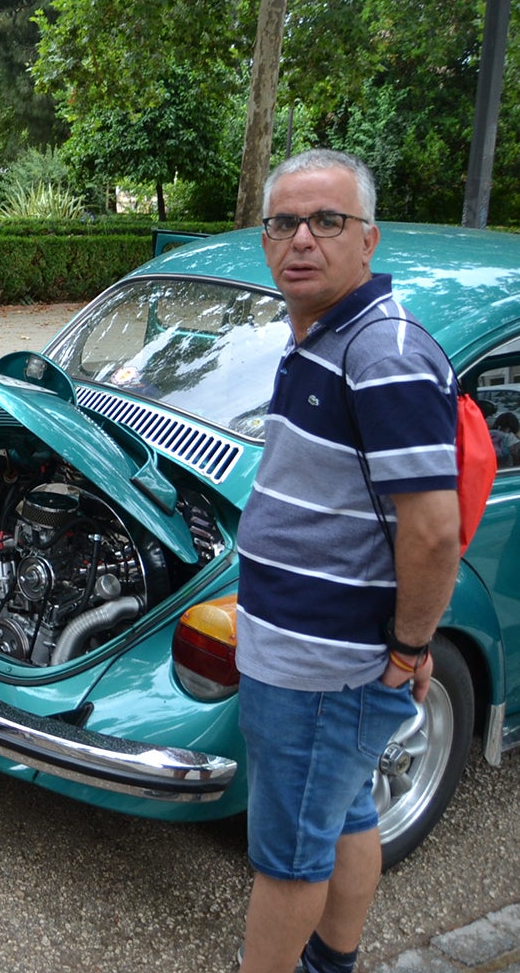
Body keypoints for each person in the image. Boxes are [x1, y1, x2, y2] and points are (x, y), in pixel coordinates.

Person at [235, 149, 461, 973]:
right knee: (344, 813)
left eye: (327, 221)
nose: (302, 239)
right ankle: (332, 963)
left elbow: (434, 532)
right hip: (309, 652)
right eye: (284, 222)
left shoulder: (383, 352)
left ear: (367, 240)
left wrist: (406, 647)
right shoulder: (321, 335)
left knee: (289, 853)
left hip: (323, 666)